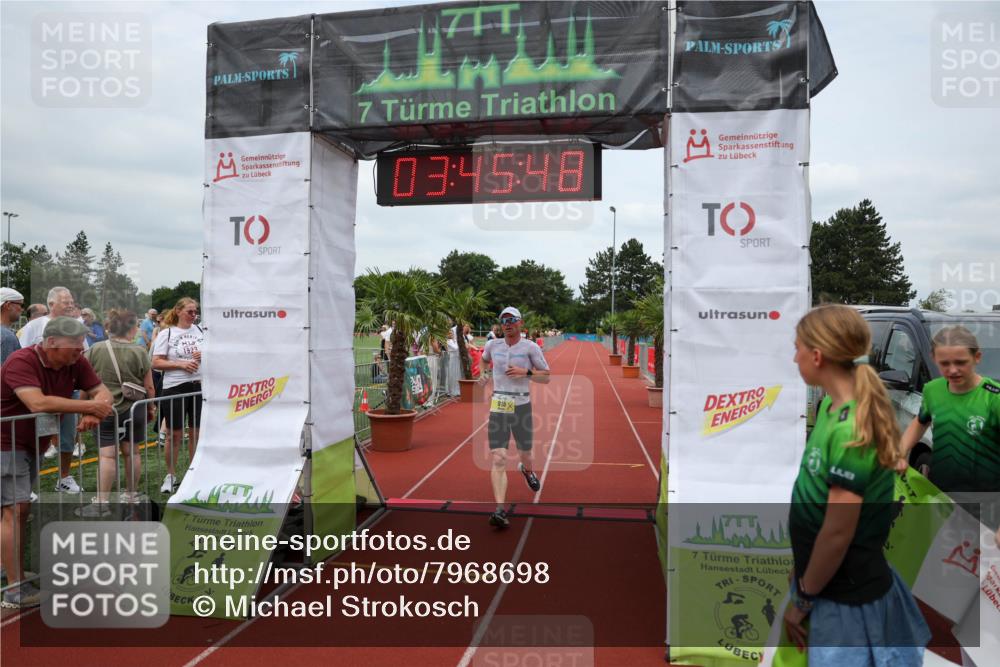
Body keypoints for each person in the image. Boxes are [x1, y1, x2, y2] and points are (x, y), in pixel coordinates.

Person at [786, 305, 929, 663]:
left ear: (817, 356)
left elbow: (837, 532)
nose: (794, 358)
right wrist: (801, 568)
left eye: (797, 348)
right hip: (833, 585)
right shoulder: (832, 409)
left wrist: (803, 597)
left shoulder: (852, 427)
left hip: (846, 597)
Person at [1, 317, 114, 608]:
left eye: (82, 345)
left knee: (15, 509)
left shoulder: (76, 362)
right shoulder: (21, 361)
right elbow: (37, 403)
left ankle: (9, 570)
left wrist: (94, 411)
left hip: (32, 444)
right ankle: (15, 589)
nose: (81, 350)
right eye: (75, 345)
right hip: (5, 442)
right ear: (51, 343)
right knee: (16, 509)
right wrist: (91, 406)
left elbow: (104, 393)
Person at [481, 306, 550, 529]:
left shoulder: (530, 348)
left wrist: (525, 373)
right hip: (499, 405)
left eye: (512, 320)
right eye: (504, 321)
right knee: (499, 457)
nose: (508, 324)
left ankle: (527, 470)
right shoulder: (493, 345)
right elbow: (484, 359)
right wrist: (483, 373)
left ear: (520, 323)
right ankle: (500, 510)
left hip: (521, 405)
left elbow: (546, 376)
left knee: (525, 453)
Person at [82, 309, 156, 514]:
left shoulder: (95, 349)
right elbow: (149, 387)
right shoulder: (140, 351)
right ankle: (131, 494)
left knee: (107, 456)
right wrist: (151, 407)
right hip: (135, 408)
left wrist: (83, 408)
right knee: (132, 452)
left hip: (104, 408)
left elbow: (84, 384)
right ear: (131, 328)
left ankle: (101, 503)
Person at [18, 286, 88, 492]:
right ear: (51, 304)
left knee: (68, 438)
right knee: (35, 440)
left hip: (69, 391)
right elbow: (22, 356)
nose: (70, 304)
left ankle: (64, 477)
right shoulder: (34, 326)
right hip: (40, 393)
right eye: (65, 301)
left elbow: (85, 355)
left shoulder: (77, 325)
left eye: (72, 300)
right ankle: (27, 486)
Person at [152, 297, 203, 493]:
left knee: (196, 433)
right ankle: (171, 475)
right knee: (175, 434)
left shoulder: (200, 331)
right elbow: (156, 362)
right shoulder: (168, 333)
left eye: (195, 312)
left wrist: (204, 354)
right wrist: (181, 364)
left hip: (198, 386)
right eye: (190, 311)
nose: (193, 315)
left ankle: (194, 473)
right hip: (175, 387)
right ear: (179, 311)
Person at [1, 288, 24, 365]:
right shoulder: (6, 336)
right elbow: (6, 372)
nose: (22, 309)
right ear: (8, 305)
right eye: (21, 305)